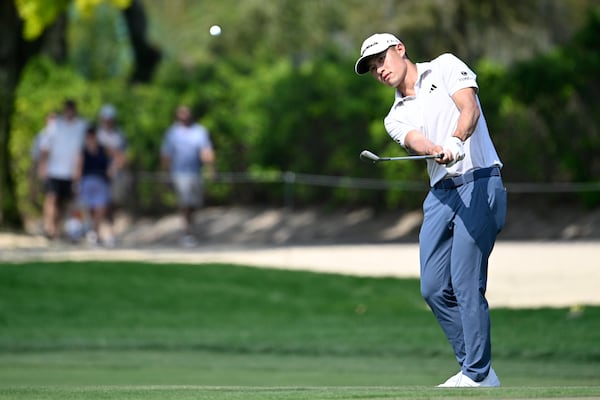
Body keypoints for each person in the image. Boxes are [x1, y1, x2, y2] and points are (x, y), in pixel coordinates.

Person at [355, 33, 506, 387]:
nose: (379, 69)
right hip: (441, 193)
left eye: (381, 59)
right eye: (372, 67)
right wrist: (437, 147)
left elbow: (470, 108)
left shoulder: (445, 66)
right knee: (434, 287)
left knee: (467, 281)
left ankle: (477, 373)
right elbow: (415, 141)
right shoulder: (394, 115)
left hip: (480, 180)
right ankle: (477, 369)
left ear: (400, 49)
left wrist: (456, 140)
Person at [160, 105, 216, 247]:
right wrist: (165, 174)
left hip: (195, 172)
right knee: (184, 202)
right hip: (179, 173)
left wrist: (211, 168)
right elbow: (166, 155)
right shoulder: (172, 132)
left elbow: (206, 150)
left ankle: (191, 228)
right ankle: (187, 233)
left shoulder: (199, 131)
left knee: (194, 203)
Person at [37, 100, 87, 240]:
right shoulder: (55, 126)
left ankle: (60, 229)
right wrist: (42, 166)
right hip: (54, 171)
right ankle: (49, 228)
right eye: (68, 109)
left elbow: (81, 150)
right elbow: (45, 148)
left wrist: (79, 170)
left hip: (71, 173)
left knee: (66, 204)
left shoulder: (81, 126)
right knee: (51, 199)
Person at [75, 123, 116, 246]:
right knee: (87, 210)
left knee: (100, 209)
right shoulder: (83, 151)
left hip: (101, 181)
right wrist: (76, 183)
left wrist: (111, 170)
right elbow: (78, 167)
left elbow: (118, 157)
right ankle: (89, 233)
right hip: (86, 182)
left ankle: (95, 232)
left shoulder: (103, 149)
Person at [97, 104, 128, 246]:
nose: (108, 121)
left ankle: (110, 232)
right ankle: (96, 232)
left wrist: (115, 163)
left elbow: (122, 156)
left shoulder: (119, 134)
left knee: (112, 204)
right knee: (98, 204)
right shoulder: (97, 134)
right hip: (98, 174)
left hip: (115, 174)